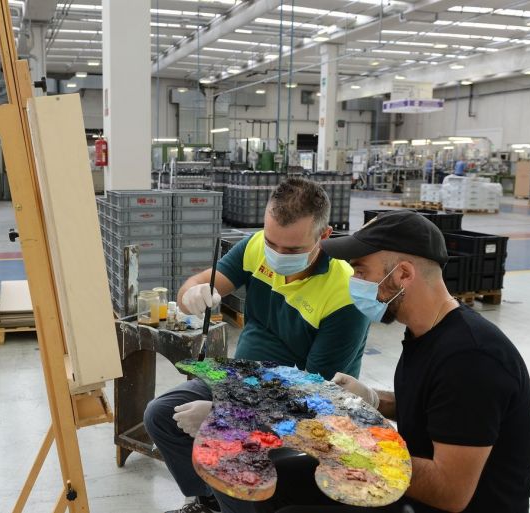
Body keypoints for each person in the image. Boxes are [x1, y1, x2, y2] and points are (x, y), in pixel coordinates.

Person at [269, 209, 530, 513]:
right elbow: (436, 408)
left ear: (403, 274)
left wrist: (343, 445)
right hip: (413, 490)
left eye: (360, 270)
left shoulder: (471, 358)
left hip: (446, 503)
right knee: (280, 479)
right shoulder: (428, 332)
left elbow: (450, 491)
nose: (353, 281)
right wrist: (370, 400)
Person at [143, 178, 371, 513]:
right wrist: (190, 295)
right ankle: (208, 502)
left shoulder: (344, 294)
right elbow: (198, 284)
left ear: (324, 236)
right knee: (160, 415)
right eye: (271, 243)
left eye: (292, 250)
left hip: (300, 400)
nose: (277, 256)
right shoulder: (255, 247)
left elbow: (315, 401)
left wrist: (231, 417)